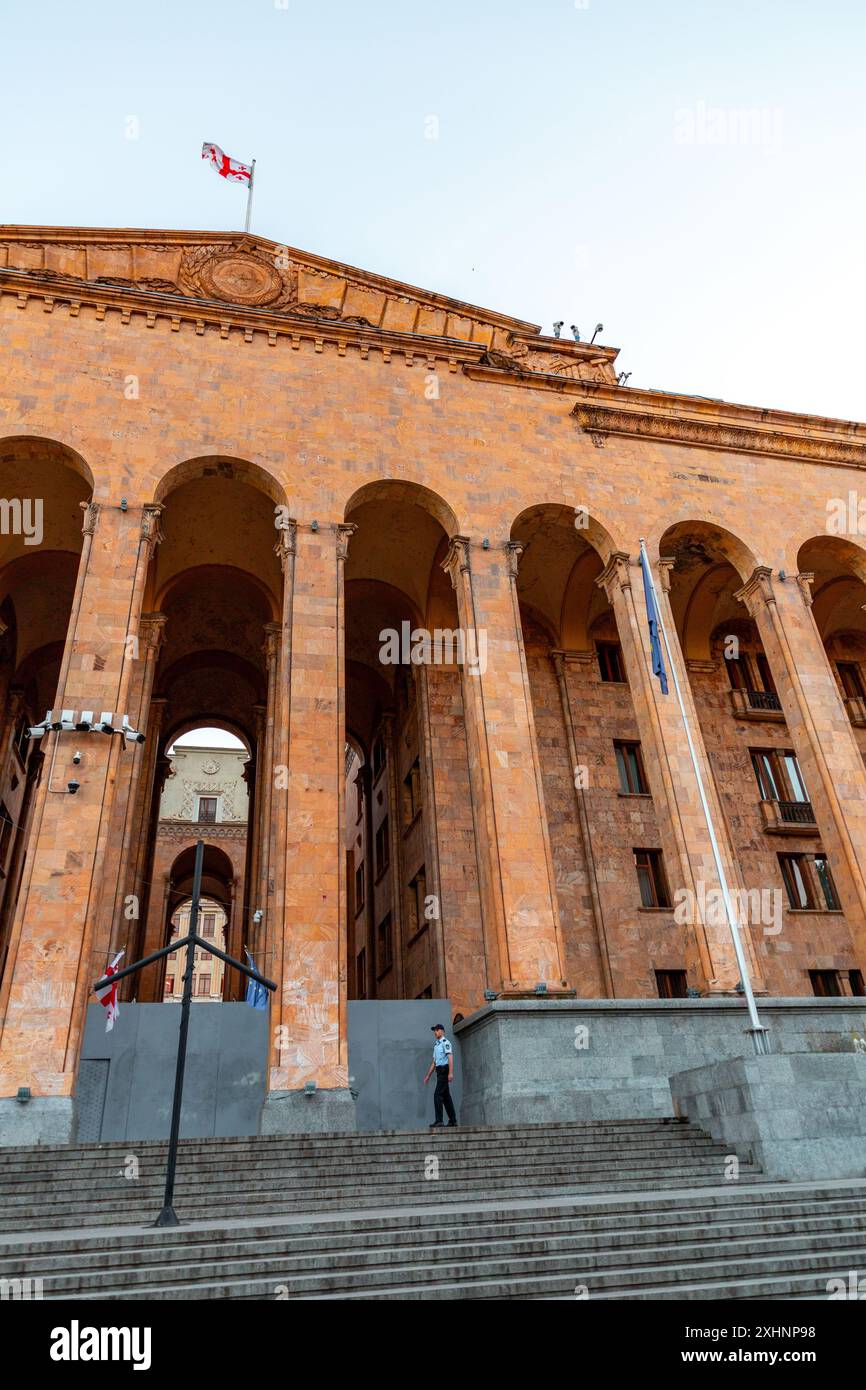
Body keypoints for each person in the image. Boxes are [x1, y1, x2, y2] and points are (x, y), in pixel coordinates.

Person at [423, 1022, 458, 1128]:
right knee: (446, 1097)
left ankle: (439, 1120)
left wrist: (451, 1073)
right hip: (439, 1071)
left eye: (437, 1030)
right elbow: (434, 1061)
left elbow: (450, 1057)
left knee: (437, 1095)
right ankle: (453, 1120)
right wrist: (428, 1075)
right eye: (434, 1030)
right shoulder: (436, 1045)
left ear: (442, 1031)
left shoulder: (445, 1042)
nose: (435, 1032)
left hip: (444, 1070)